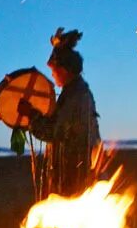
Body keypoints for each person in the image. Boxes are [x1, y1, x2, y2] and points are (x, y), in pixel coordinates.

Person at [21, 28, 102, 197]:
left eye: (53, 70)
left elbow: (53, 132)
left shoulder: (75, 96)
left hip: (77, 179)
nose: (52, 75)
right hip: (77, 175)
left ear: (63, 70)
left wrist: (31, 115)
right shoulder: (76, 92)